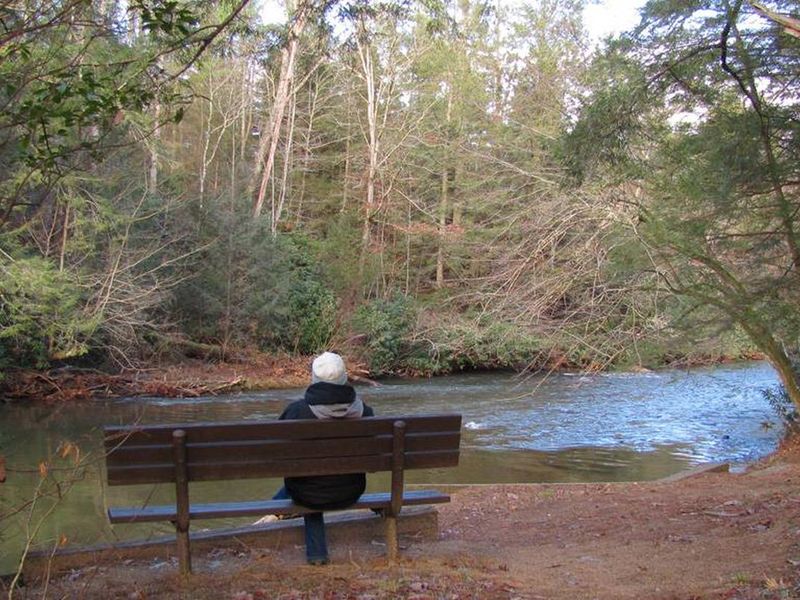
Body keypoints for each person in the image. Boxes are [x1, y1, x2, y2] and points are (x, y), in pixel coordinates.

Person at [273, 351, 374, 565]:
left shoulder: (296, 411)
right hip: (351, 490)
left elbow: (277, 455)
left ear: (314, 379)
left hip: (307, 494)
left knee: (309, 481)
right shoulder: (365, 412)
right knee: (317, 479)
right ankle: (274, 509)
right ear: (344, 378)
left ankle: (316, 552)